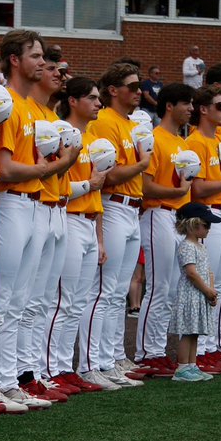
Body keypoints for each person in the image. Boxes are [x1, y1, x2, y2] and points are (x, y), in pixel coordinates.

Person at [0, 29, 55, 410]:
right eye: (35, 55)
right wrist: (45, 168)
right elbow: (4, 168)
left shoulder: (29, 106)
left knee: (18, 299)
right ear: (15, 60)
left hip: (31, 204)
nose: (42, 62)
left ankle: (6, 379)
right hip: (9, 202)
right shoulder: (4, 99)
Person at [17, 47, 79, 399]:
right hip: (28, 202)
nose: (57, 73)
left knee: (39, 300)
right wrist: (63, 161)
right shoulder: (22, 105)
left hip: (54, 206)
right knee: (21, 300)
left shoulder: (47, 112)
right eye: (50, 66)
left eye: (60, 68)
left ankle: (33, 370)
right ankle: (19, 375)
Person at [84, 62, 150, 387]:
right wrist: (141, 164)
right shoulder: (105, 122)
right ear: (114, 90)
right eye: (132, 86)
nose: (138, 92)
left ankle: (111, 357)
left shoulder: (126, 123)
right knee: (105, 290)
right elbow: (107, 176)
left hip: (132, 208)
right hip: (112, 206)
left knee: (118, 291)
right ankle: (94, 362)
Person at [46, 77, 107, 393]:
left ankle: (65, 367)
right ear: (74, 101)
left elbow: (97, 195)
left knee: (79, 301)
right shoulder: (61, 132)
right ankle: (51, 368)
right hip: (66, 218)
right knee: (64, 300)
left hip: (88, 220)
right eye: (92, 98)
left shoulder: (94, 136)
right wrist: (88, 186)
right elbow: (53, 185)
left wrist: (100, 238)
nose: (98, 103)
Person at [136, 83, 195, 375]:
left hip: (176, 219)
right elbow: (145, 188)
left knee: (170, 289)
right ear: (169, 106)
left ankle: (157, 350)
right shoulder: (155, 138)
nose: (191, 109)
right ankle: (147, 352)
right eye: (186, 103)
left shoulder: (181, 142)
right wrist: (178, 192)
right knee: (159, 287)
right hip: (157, 213)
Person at [185, 86, 221, 371]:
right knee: (208, 281)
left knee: (219, 283)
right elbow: (197, 187)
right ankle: (203, 350)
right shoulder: (195, 141)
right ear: (203, 109)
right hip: (208, 213)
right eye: (219, 106)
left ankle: (213, 346)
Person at [170, 203, 217, 382]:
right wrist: (206, 290)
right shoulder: (187, 246)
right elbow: (191, 272)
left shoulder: (201, 247)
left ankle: (192, 364)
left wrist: (211, 291)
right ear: (193, 224)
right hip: (191, 294)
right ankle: (182, 367)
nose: (209, 229)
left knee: (195, 331)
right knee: (188, 331)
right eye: (206, 225)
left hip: (201, 294)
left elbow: (208, 271)